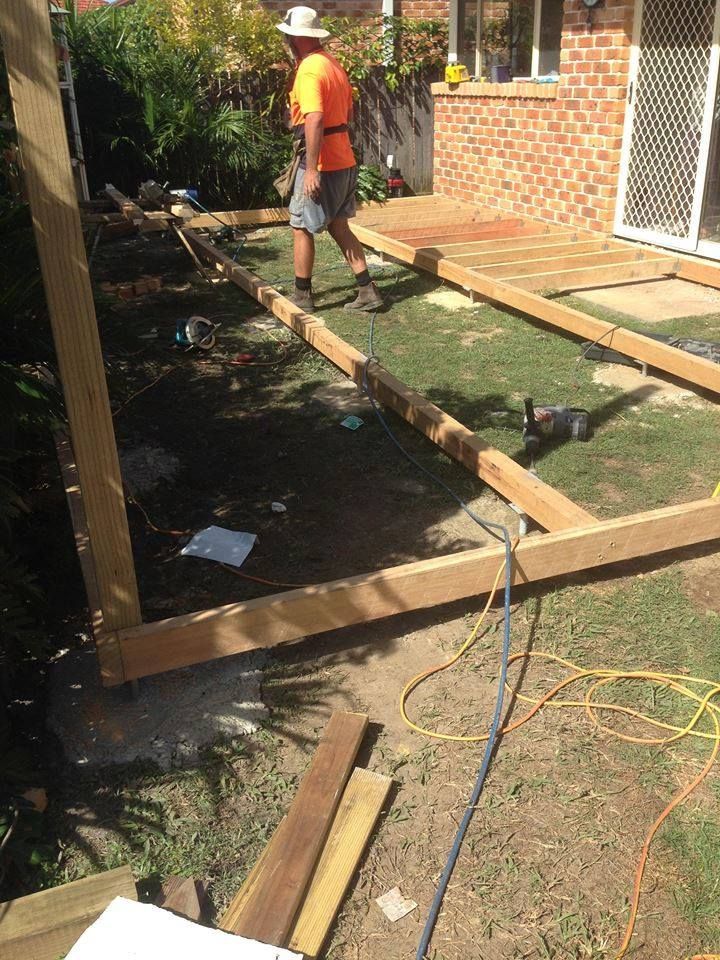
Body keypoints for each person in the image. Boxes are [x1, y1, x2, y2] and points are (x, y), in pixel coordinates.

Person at [276, 5, 383, 312]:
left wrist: (311, 169)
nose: (286, 42)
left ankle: (302, 295)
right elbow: (346, 114)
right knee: (338, 224)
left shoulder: (309, 69)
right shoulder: (333, 65)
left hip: (322, 163)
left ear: (296, 38)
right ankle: (368, 291)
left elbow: (316, 118)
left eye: (288, 37)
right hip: (345, 158)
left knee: (301, 226)